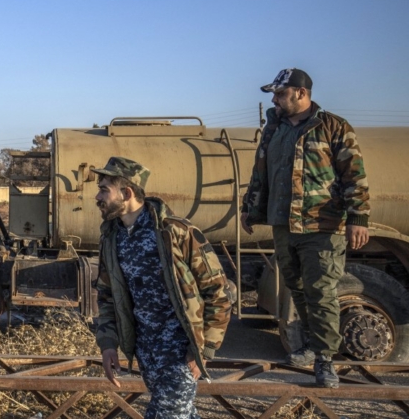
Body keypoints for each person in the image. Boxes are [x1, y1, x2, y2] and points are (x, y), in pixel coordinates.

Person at [241, 68, 370, 388]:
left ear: (301, 93)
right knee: (297, 288)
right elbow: (261, 172)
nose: (274, 99)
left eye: (279, 93)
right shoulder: (274, 128)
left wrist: (358, 218)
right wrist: (250, 208)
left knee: (322, 292)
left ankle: (325, 359)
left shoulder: (333, 127)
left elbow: (354, 175)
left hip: (321, 225)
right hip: (284, 223)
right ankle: (311, 348)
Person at [93, 156, 231, 419]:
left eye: (103, 189)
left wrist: (205, 347)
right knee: (180, 414)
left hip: (181, 350)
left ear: (127, 192)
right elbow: (108, 296)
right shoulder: (112, 238)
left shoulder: (176, 232)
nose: (97, 197)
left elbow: (218, 291)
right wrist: (108, 343)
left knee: (167, 414)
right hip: (146, 350)